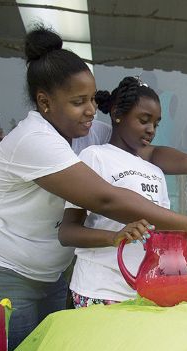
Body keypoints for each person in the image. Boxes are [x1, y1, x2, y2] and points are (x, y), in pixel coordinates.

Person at [0, 27, 187, 351]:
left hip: (55, 274)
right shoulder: (32, 140)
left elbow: (149, 153)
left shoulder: (85, 130)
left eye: (91, 99)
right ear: (45, 101)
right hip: (12, 274)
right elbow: (105, 198)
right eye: (77, 102)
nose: (90, 110)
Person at [58, 76, 174, 308]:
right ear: (117, 114)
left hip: (143, 292)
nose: (151, 129)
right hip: (99, 289)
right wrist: (114, 237)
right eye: (144, 120)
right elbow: (67, 232)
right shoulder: (95, 157)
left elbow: (162, 233)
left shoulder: (155, 172)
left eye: (156, 124)